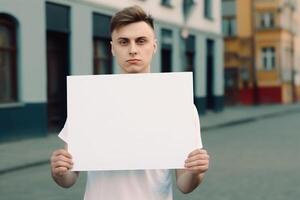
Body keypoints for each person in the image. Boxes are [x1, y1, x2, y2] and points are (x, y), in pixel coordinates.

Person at [50, 5, 209, 200]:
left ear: (154, 46)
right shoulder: (90, 99)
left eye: (141, 41)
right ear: (113, 48)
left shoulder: (178, 103)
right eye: (124, 42)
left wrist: (196, 172)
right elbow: (69, 179)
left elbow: (184, 184)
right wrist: (59, 170)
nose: (133, 50)